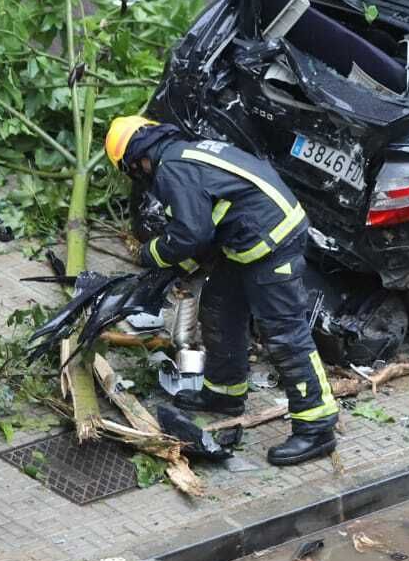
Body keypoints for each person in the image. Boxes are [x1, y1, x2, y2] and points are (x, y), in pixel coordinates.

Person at [104, 116, 339, 467]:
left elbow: (191, 233)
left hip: (271, 244)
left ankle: (317, 426)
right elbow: (208, 222)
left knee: (285, 335)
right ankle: (225, 392)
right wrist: (177, 269)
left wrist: (150, 254)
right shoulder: (184, 153)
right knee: (219, 307)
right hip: (246, 241)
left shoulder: (172, 171)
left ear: (136, 162)